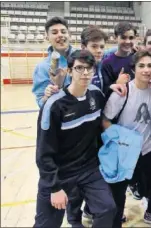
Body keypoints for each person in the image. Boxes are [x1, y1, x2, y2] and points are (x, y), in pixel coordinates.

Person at [34, 50, 116, 227]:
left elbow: (103, 127)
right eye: (79, 68)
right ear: (69, 71)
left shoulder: (96, 95)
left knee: (107, 209)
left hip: (88, 169)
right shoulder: (54, 105)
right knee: (46, 225)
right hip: (60, 173)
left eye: (89, 68)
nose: (85, 73)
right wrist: (54, 188)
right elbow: (43, 153)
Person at [102, 50, 151, 228]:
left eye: (149, 65)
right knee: (118, 192)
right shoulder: (123, 91)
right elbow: (105, 120)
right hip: (125, 151)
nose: (146, 69)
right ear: (134, 69)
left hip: (148, 147)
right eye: (141, 66)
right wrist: (121, 140)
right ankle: (115, 222)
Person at [32, 17, 74, 108]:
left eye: (63, 32)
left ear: (69, 35)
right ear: (47, 37)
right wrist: (47, 96)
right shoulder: (42, 67)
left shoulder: (82, 58)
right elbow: (41, 102)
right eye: (54, 32)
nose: (60, 35)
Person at [101, 22, 137, 98]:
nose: (127, 41)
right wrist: (117, 82)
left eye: (131, 38)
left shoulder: (138, 58)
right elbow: (105, 91)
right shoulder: (107, 63)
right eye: (123, 37)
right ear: (115, 37)